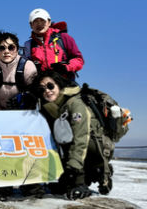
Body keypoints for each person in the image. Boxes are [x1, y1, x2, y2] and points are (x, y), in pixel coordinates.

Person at [35, 71, 114, 199]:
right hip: (78, 148)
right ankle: (79, 176)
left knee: (76, 145)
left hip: (96, 147)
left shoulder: (75, 104)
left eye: (50, 86)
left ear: (59, 85)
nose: (47, 91)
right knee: (63, 186)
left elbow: (81, 138)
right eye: (42, 89)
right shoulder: (54, 108)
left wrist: (73, 170)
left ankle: (98, 171)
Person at [23, 8, 84, 81]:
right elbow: (25, 67)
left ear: (49, 22)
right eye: (35, 21)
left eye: (42, 20)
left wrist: (66, 67)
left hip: (65, 83)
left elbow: (79, 59)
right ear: (31, 25)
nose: (39, 24)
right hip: (43, 87)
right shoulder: (28, 45)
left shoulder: (63, 37)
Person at [0, 31, 38, 110]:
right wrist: (1, 117)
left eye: (11, 47)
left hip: (25, 113)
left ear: (17, 49)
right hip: (0, 114)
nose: (6, 51)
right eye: (2, 48)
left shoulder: (28, 66)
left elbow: (34, 95)